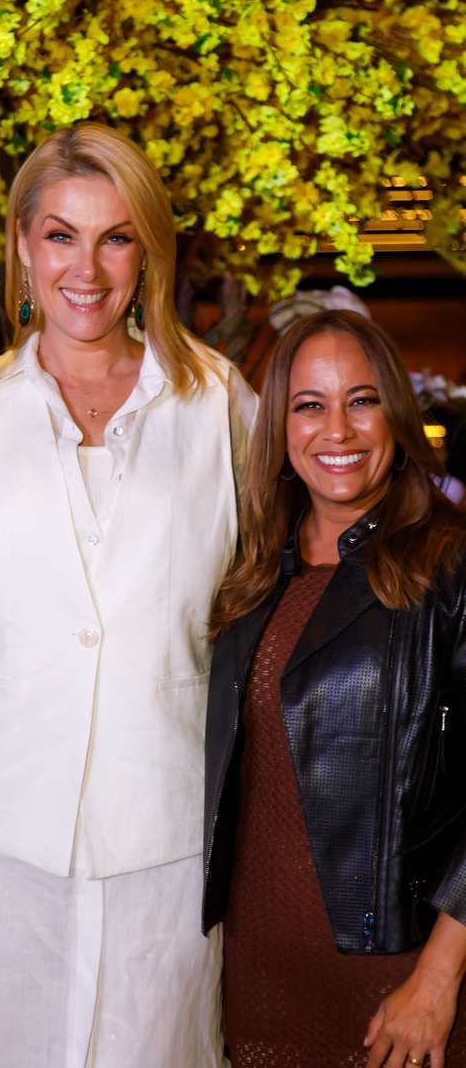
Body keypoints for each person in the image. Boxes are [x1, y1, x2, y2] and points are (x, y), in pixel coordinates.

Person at [0, 122, 256, 1068]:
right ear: (23, 244)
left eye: (116, 236)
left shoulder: (220, 401)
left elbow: (277, 577)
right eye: (61, 233)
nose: (88, 267)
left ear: (148, 248)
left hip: (168, 824)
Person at [203, 309, 466, 1068]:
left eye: (362, 399)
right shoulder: (253, 571)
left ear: (395, 411)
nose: (338, 430)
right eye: (310, 405)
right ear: (281, 427)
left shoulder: (447, 563)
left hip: (395, 973)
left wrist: (439, 980)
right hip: (255, 965)